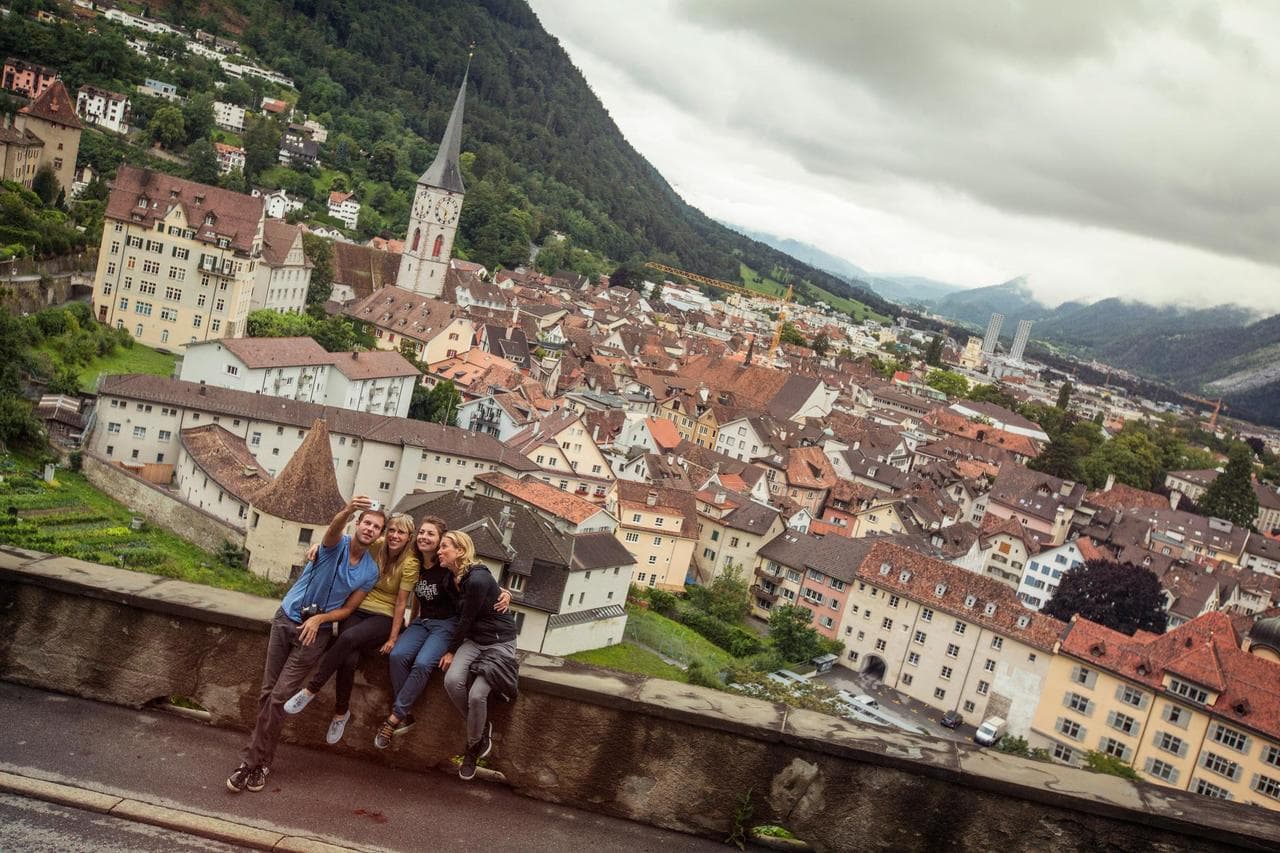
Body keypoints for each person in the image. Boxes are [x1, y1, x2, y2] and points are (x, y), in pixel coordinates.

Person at [227, 496, 385, 793]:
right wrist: (348, 510)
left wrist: (320, 619)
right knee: (267, 694)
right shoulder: (335, 544)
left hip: (316, 633)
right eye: (367, 523)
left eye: (376, 527)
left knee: (279, 698)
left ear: (379, 535)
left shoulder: (370, 571)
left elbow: (348, 610)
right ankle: (263, 762)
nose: (370, 529)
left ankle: (248, 763)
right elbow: (334, 529)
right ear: (359, 524)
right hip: (286, 618)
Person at [282, 513, 419, 744]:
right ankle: (340, 713)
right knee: (347, 659)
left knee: (348, 638)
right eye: (392, 530)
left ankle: (311, 690)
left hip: (383, 616)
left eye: (401, 532)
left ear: (408, 537)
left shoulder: (411, 562)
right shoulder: (376, 546)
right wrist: (318, 547)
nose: (395, 535)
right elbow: (344, 542)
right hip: (356, 608)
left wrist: (394, 637)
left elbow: (401, 603)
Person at [376, 517, 512, 748]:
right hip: (422, 622)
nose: (424, 537)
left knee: (422, 663)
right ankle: (405, 712)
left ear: (441, 542)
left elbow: (479, 584)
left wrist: (506, 592)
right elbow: (381, 544)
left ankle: (395, 716)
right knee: (398, 656)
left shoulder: (448, 568)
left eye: (432, 535)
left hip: (447, 624)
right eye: (421, 532)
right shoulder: (414, 562)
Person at [438, 530, 519, 781]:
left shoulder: (477, 578)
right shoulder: (449, 579)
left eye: (444, 547)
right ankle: (482, 728)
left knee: (477, 694)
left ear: (460, 551)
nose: (440, 551)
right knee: (452, 681)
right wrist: (504, 590)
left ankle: (472, 748)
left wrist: (450, 650)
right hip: (474, 641)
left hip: (499, 642)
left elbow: (466, 618)